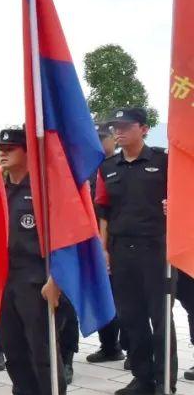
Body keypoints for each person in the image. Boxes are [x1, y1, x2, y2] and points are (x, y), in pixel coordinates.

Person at [0, 127, 69, 395]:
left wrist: (57, 278)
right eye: (1, 146)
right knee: (14, 348)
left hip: (37, 277)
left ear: (28, 151)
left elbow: (65, 237)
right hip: (4, 278)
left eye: (11, 147)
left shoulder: (43, 189)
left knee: (43, 350)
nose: (3, 151)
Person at [96, 107, 174, 395]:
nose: (119, 131)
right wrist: (103, 249)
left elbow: (182, 196)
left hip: (156, 249)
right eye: (115, 126)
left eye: (126, 126)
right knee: (132, 317)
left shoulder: (162, 161)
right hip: (121, 249)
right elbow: (103, 211)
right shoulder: (108, 168)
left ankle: (164, 381)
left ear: (143, 128)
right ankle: (142, 377)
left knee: (159, 316)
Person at [88, 122, 128, 364]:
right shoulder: (91, 168)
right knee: (102, 295)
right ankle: (109, 345)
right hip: (93, 241)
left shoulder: (121, 167)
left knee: (123, 297)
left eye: (106, 138)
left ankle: (133, 348)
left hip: (117, 241)